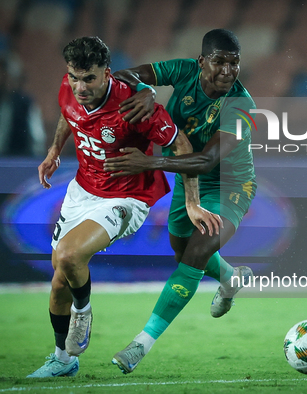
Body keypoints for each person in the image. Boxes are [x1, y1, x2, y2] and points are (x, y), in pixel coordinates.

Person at [27, 36, 221, 378]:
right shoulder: (68, 88)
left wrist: (192, 203)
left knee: (70, 256)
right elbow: (68, 115)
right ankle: (63, 359)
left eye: (89, 78)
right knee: (59, 280)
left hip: (125, 198)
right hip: (82, 191)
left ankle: (83, 314)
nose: (80, 86)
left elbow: (182, 145)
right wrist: (54, 151)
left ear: (107, 73)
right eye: (74, 77)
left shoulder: (136, 107)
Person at [105, 28, 257, 374]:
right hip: (189, 176)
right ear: (202, 61)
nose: (227, 72)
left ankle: (141, 343)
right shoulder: (182, 71)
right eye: (219, 62)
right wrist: (144, 91)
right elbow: (122, 78)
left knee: (197, 253)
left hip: (231, 185)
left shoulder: (242, 104)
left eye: (234, 64)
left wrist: (151, 162)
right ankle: (231, 278)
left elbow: (207, 161)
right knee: (181, 251)